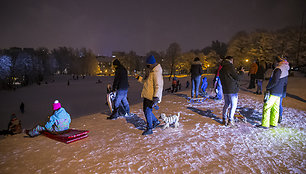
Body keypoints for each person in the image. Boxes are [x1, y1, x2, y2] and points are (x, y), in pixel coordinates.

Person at [258, 57, 289, 128]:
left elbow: (274, 81)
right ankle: (273, 123)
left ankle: (265, 124)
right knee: (275, 108)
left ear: (277, 62)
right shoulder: (285, 68)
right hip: (279, 92)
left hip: (274, 91)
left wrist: (268, 87)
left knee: (267, 107)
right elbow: (285, 82)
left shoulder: (278, 69)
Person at [135, 55, 163, 135]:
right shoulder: (151, 71)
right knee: (146, 110)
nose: (147, 66)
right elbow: (146, 82)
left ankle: (149, 128)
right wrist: (138, 78)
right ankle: (156, 121)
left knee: (147, 110)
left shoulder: (156, 72)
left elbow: (158, 85)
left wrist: (156, 97)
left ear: (151, 64)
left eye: (148, 65)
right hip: (147, 94)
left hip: (151, 96)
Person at [219, 56, 244, 127]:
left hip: (225, 89)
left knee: (226, 104)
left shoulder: (222, 68)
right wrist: (241, 72)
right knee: (234, 105)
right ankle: (230, 120)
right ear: (230, 60)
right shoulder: (230, 67)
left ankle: (224, 119)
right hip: (232, 90)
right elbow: (237, 77)